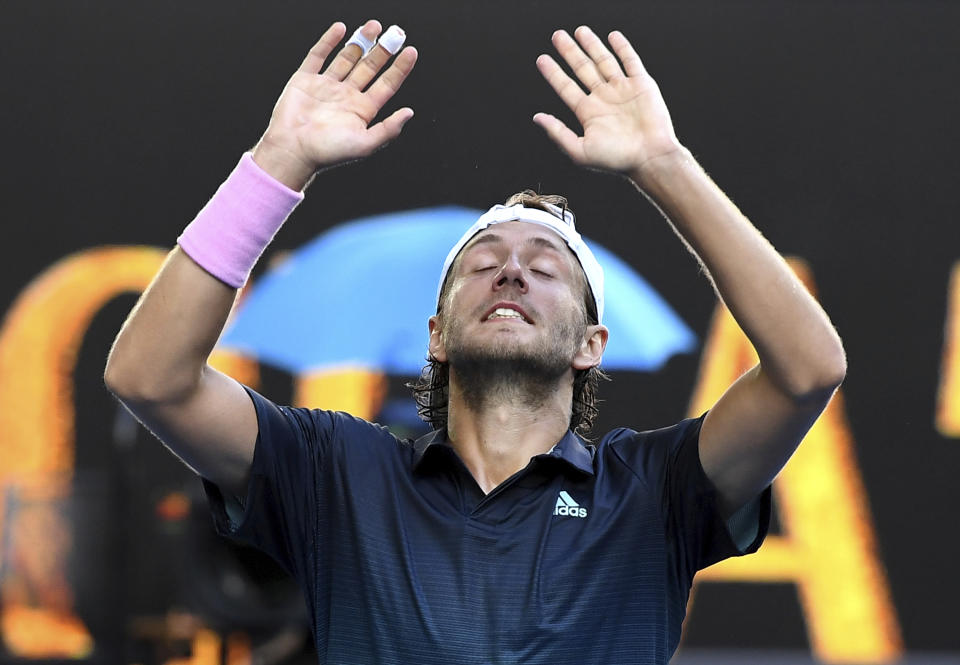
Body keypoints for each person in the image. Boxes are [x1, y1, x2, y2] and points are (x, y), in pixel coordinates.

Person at [104, 18, 846, 665]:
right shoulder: (337, 473)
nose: (513, 273)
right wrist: (279, 159)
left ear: (592, 343)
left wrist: (664, 164)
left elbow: (809, 370)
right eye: (484, 265)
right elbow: (150, 377)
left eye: (545, 267)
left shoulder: (654, 490)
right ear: (438, 336)